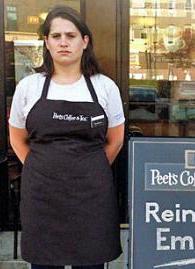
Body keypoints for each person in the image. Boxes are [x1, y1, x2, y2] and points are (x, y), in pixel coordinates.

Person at [8, 5, 125, 269]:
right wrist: (42, 167)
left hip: (92, 196)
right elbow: (16, 138)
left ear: (84, 42)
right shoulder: (29, 87)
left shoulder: (105, 87)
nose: (63, 42)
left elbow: (116, 139)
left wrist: (88, 167)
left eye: (70, 36)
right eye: (56, 36)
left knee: (91, 263)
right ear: (47, 43)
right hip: (42, 197)